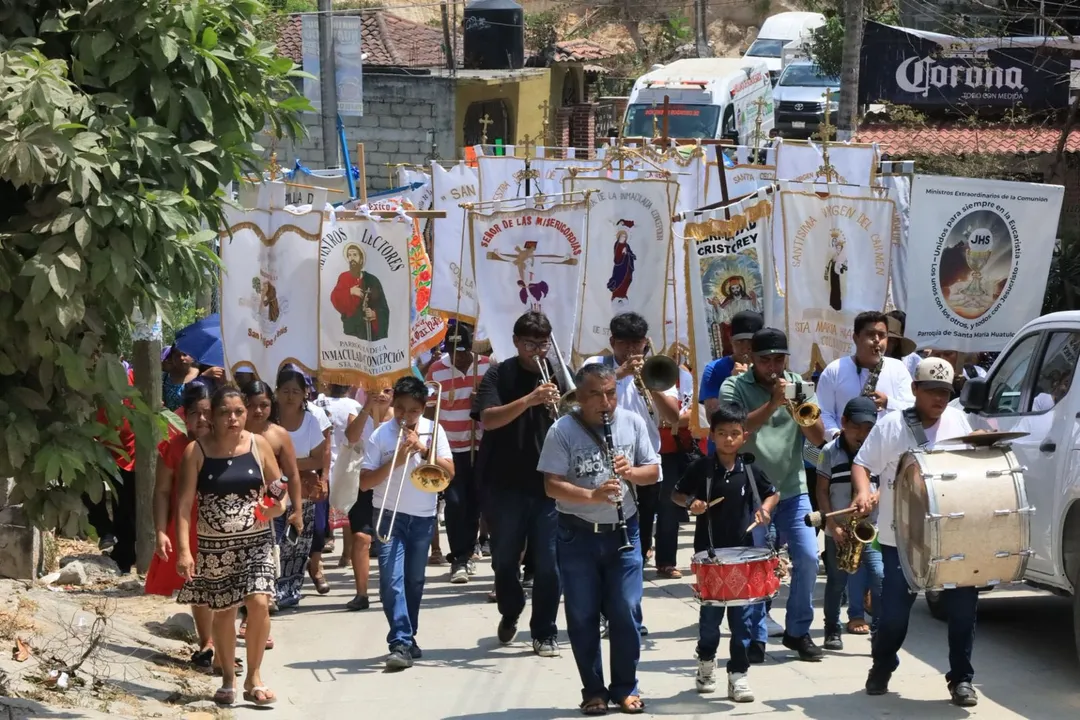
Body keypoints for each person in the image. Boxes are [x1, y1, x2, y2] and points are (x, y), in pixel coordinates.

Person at [851, 357, 978, 706]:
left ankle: (961, 679)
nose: (940, 399)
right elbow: (862, 463)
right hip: (901, 539)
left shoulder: (958, 421)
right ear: (915, 390)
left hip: (952, 537)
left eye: (946, 392)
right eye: (933, 391)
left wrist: (983, 445)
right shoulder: (892, 425)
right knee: (893, 618)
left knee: (964, 611)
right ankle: (882, 665)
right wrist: (864, 491)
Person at [538, 363, 660, 716]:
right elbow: (551, 485)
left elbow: (653, 472)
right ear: (579, 396)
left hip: (625, 532)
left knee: (626, 608)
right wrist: (591, 496)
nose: (606, 402)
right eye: (596, 395)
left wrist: (630, 472)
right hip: (576, 533)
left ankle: (626, 687)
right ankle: (593, 691)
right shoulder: (562, 430)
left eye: (611, 393)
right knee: (582, 614)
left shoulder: (633, 422)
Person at [719, 328, 826, 661]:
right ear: (751, 358)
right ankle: (755, 637)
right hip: (750, 492)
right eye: (766, 360)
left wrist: (797, 405)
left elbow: (819, 437)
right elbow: (736, 432)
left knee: (808, 558)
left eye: (779, 359)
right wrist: (773, 403)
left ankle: (798, 631)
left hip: (792, 489)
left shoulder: (798, 383)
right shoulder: (733, 386)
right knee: (757, 566)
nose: (774, 366)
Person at [175, 386, 284, 706]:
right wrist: (184, 550)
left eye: (239, 411)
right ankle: (227, 678)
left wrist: (275, 507)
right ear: (213, 416)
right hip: (215, 549)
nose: (233, 418)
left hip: (257, 541)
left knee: (260, 603)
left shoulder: (258, 444)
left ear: (246, 413)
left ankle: (254, 677)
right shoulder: (196, 451)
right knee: (223, 612)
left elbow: (279, 489)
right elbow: (183, 505)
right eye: (225, 412)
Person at [472, 311, 566, 657]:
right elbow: (489, 419)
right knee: (504, 561)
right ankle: (511, 611)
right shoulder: (499, 373)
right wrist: (530, 400)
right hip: (504, 482)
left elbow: (574, 417)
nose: (537, 350)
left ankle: (544, 631)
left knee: (549, 563)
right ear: (515, 342)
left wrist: (561, 406)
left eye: (543, 344)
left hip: (548, 484)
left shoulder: (558, 373)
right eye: (530, 344)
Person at [672, 403, 777, 703]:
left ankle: (738, 675)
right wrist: (691, 503)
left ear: (744, 435)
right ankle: (706, 661)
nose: (728, 439)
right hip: (711, 556)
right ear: (712, 436)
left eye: (734, 433)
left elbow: (772, 493)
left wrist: (764, 510)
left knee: (742, 620)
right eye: (722, 433)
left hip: (742, 556)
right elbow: (676, 493)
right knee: (710, 618)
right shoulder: (702, 467)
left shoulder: (749, 467)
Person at [583, 312, 678, 632]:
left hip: (644, 464)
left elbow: (674, 417)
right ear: (612, 343)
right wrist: (618, 373)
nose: (632, 350)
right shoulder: (595, 364)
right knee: (606, 544)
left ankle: (627, 611)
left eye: (638, 343)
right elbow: (579, 403)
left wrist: (652, 386)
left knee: (635, 547)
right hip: (601, 462)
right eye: (624, 344)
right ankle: (606, 611)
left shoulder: (657, 368)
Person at [360, 376, 454, 670]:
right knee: (391, 580)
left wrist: (424, 450)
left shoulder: (433, 428)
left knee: (414, 581)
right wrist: (397, 460)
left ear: (423, 408)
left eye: (413, 411)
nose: (405, 416)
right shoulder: (381, 436)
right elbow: (365, 483)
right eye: (400, 408)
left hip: (423, 516)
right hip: (389, 513)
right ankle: (399, 641)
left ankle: (407, 637)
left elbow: (449, 472)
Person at [145, 382, 221, 672]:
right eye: (193, 413)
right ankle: (208, 644)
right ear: (184, 416)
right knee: (199, 584)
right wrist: (161, 531)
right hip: (187, 525)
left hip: (222, 524)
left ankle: (225, 643)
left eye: (206, 413)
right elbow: (162, 491)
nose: (201, 420)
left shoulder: (226, 443)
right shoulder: (174, 446)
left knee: (221, 586)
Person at [425, 321, 491, 584]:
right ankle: (459, 559)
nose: (458, 357)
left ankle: (469, 547)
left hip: (480, 445)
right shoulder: (436, 370)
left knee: (475, 503)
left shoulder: (487, 366)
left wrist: (482, 402)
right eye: (453, 352)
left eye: (463, 351)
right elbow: (429, 410)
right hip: (450, 448)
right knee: (454, 503)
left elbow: (498, 403)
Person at [816, 396, 884, 649]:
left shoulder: (877, 451)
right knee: (836, 581)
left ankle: (879, 628)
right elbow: (822, 491)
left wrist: (877, 496)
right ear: (843, 423)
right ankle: (831, 628)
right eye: (857, 427)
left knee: (879, 575)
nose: (862, 434)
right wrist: (832, 526)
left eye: (868, 429)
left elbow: (888, 483)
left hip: (871, 529)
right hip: (839, 529)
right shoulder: (828, 452)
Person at [274, 369, 332, 606]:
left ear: (304, 394)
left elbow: (319, 458)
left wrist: (287, 466)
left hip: (303, 491)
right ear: (277, 392)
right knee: (274, 543)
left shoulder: (311, 420)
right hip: (274, 490)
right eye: (285, 391)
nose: (290, 396)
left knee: (297, 544)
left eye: (295, 391)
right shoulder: (270, 419)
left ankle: (291, 591)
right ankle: (271, 593)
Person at [815, 311, 915, 440]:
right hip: (845, 449)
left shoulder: (898, 368)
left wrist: (888, 403)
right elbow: (824, 412)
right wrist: (836, 436)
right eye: (870, 334)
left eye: (882, 335)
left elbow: (912, 409)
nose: (877, 340)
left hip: (887, 447)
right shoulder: (834, 370)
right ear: (856, 338)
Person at [344, 386, 393, 610]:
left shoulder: (398, 418)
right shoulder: (356, 413)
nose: (381, 395)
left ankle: (387, 588)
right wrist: (367, 409)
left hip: (389, 484)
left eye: (387, 390)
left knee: (387, 538)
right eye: (376, 390)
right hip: (362, 481)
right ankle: (361, 593)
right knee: (362, 537)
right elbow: (351, 436)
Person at [313, 383, 363, 566]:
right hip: (344, 460)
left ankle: (325, 543)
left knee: (321, 509)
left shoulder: (318, 401)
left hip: (322, 460)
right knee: (346, 508)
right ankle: (346, 555)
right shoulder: (352, 405)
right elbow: (353, 434)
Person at [698, 311, 763, 422]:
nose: (745, 347)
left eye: (751, 342)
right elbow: (713, 418)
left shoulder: (767, 368)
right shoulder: (714, 369)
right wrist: (734, 383)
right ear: (731, 341)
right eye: (740, 341)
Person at [330, 243, 390, 341]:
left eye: (355, 255)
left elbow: (383, 308)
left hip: (369, 332)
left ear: (361, 259)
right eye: (349, 255)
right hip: (351, 332)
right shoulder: (344, 278)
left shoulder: (372, 280)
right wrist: (349, 291)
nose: (351, 258)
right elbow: (334, 297)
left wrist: (375, 314)